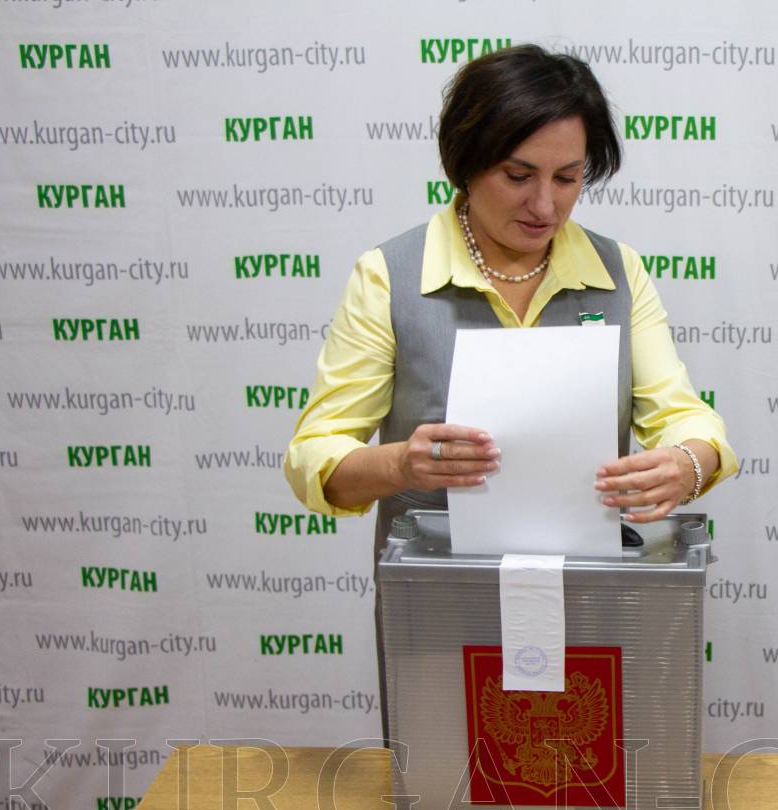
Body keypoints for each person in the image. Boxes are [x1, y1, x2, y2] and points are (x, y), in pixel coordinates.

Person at [285, 45, 735, 544]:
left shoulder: (619, 271)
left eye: (567, 178)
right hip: (436, 579)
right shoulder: (389, 276)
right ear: (466, 163)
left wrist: (687, 463)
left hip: (587, 578)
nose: (544, 205)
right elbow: (313, 458)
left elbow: (681, 415)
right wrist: (399, 464)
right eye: (518, 176)